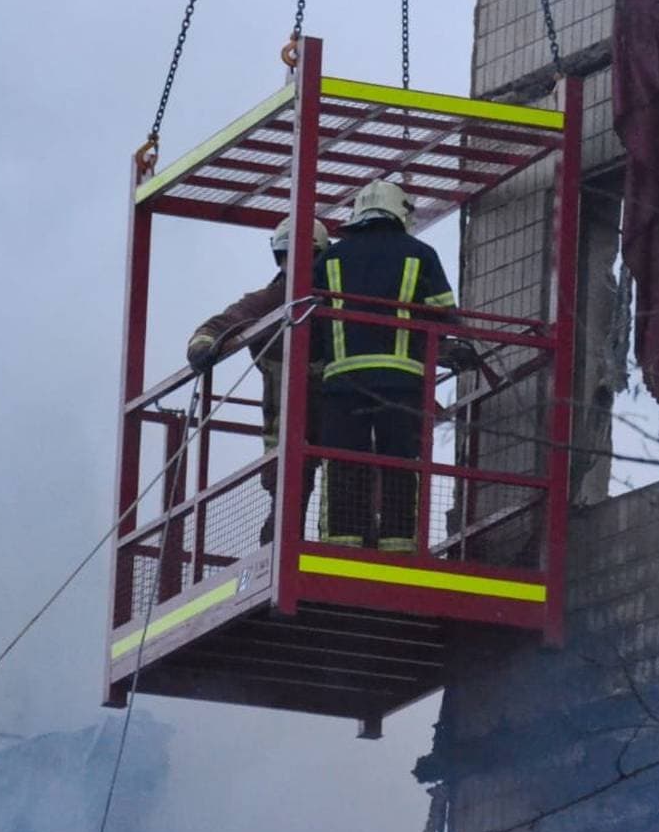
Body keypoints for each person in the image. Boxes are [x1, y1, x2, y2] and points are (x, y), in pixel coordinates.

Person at [312, 179, 463, 553]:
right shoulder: (420, 254)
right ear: (401, 211)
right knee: (400, 464)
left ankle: (342, 546)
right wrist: (457, 348)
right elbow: (444, 316)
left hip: (344, 385)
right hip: (403, 383)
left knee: (346, 464)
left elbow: (312, 323)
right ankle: (398, 545)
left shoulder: (329, 259)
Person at [185, 217, 329, 544]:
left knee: (345, 493)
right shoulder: (272, 301)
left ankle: (329, 551)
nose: (297, 265)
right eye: (289, 256)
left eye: (306, 256)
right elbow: (219, 324)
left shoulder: (339, 299)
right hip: (289, 423)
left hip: (335, 420)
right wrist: (203, 349)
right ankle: (278, 549)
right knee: (288, 499)